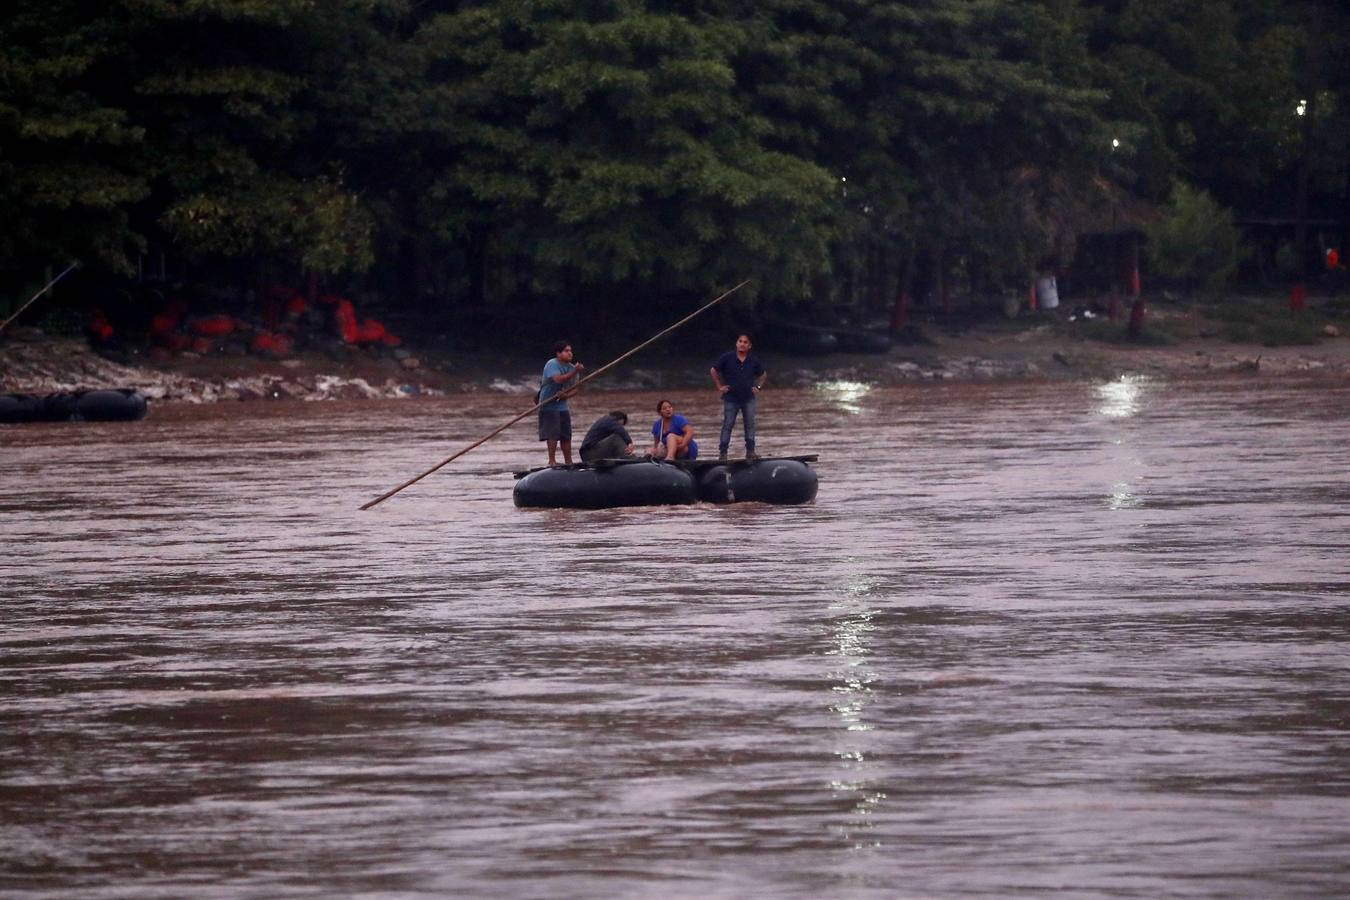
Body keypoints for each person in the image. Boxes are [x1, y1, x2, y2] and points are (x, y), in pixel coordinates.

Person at [709, 333, 766, 461]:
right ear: (736, 343)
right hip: (731, 397)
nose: (742, 344)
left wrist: (758, 387)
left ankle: (750, 451)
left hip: (748, 397)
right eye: (740, 341)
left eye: (745, 342)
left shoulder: (753, 360)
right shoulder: (727, 358)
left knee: (750, 425)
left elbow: (763, 374)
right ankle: (723, 453)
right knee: (728, 424)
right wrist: (719, 386)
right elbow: (713, 370)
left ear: (749, 346)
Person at [538, 340, 584, 465]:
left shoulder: (572, 368)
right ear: (558, 353)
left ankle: (568, 461)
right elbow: (558, 379)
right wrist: (575, 371)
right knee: (552, 434)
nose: (570, 353)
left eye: (570, 351)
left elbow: (575, 389)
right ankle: (552, 461)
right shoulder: (552, 364)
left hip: (562, 406)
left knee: (566, 435)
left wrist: (565, 396)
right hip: (547, 405)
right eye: (566, 351)